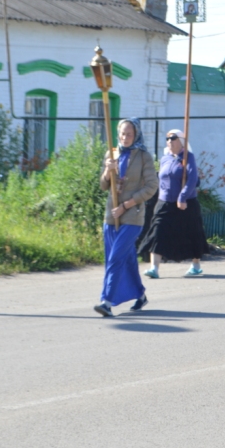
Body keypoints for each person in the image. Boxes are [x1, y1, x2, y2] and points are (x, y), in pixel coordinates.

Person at [94, 118, 159, 317]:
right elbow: (103, 186)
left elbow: (151, 186)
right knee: (128, 259)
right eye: (122, 134)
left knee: (115, 258)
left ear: (136, 134)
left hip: (132, 216)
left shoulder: (144, 156)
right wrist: (108, 170)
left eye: (129, 134)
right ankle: (140, 295)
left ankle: (106, 301)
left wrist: (126, 205)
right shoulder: (112, 153)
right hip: (111, 215)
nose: (125, 137)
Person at [138, 129, 209, 278]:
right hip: (165, 203)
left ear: (182, 141)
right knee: (158, 231)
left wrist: (182, 197)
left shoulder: (188, 157)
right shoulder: (165, 159)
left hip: (186, 203)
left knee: (192, 233)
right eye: (168, 138)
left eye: (173, 138)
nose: (170, 141)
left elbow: (192, 180)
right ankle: (154, 268)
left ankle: (196, 265)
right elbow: (160, 178)